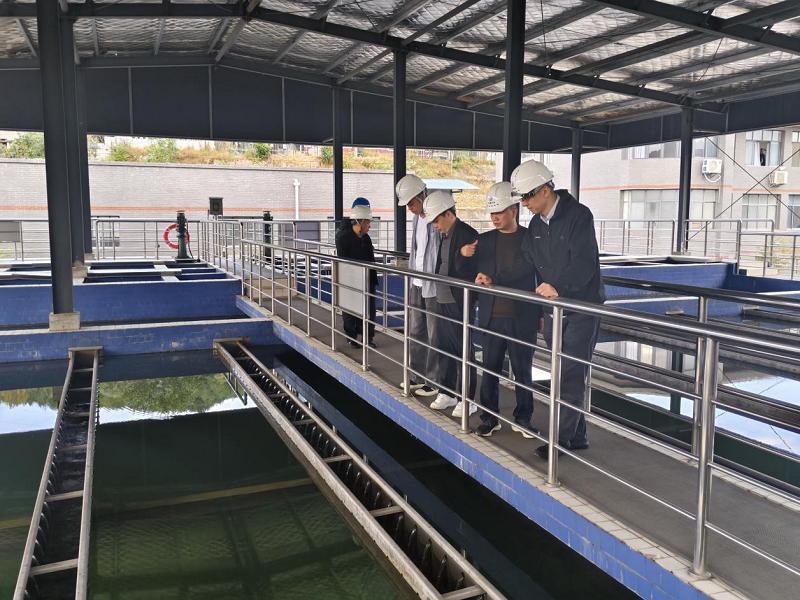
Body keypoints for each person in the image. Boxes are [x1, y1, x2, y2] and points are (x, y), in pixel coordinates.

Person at [475, 160, 605, 459]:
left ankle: (560, 442)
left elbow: (584, 262)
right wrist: (495, 278)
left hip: (580, 307)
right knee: (563, 372)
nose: (524, 203)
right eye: (521, 198)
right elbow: (525, 263)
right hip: (552, 307)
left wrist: (559, 286)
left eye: (527, 196)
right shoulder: (536, 225)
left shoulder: (578, 216)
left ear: (545, 190)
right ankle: (578, 436)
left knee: (569, 375)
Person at [458, 182, 541, 438]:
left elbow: (534, 274)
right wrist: (463, 255)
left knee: (523, 371)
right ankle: (489, 418)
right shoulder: (483, 241)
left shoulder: (529, 238)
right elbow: (467, 273)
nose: (494, 218)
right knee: (490, 370)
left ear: (513, 210)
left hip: (522, 316)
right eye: (492, 213)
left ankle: (523, 418)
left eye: (499, 212)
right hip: (491, 315)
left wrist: (540, 313)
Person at [423, 190, 479, 417]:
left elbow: (470, 269)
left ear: (448, 214)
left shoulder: (467, 233)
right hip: (442, 298)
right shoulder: (445, 235)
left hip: (458, 301)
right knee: (443, 347)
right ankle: (447, 392)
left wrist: (460, 254)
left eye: (437, 220)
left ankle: (468, 399)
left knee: (463, 350)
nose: (435, 225)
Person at [396, 174, 440, 398]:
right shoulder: (416, 220)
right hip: (416, 282)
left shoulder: (437, 217)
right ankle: (417, 375)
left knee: (434, 333)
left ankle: (433, 381)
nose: (409, 208)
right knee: (415, 330)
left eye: (411, 203)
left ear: (422, 195)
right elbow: (416, 250)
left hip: (433, 286)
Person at [335, 200, 378, 349]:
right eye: (367, 222)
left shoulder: (366, 238)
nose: (369, 226)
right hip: (350, 279)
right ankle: (351, 337)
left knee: (370, 310)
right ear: (359, 222)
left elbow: (371, 259)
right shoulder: (343, 238)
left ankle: (368, 337)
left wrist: (372, 277)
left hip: (367, 279)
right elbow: (343, 261)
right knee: (350, 309)